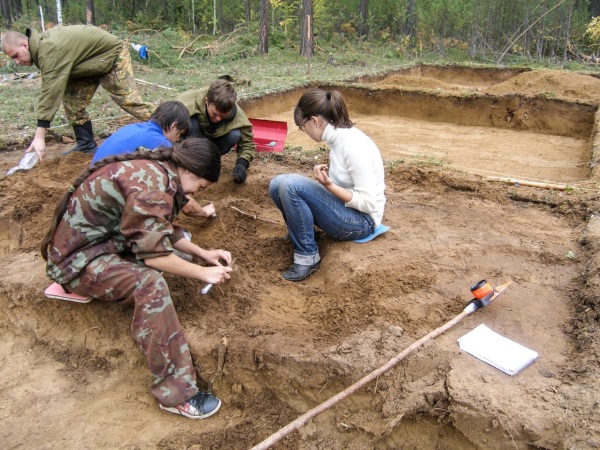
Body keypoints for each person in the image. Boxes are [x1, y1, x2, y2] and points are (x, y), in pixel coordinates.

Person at [40, 138, 233, 419]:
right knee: (150, 284)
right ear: (190, 171)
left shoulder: (159, 170)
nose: (196, 194)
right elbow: (154, 255)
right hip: (77, 262)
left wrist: (203, 253)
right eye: (200, 187)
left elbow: (158, 228)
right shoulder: (153, 185)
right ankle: (176, 394)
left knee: (175, 262)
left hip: (98, 245)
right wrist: (204, 273)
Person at [269, 89, 386, 281]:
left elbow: (368, 203)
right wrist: (328, 181)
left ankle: (307, 257)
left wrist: (330, 186)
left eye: (302, 126)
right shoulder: (337, 139)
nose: (304, 131)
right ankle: (304, 235)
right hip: (348, 211)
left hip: (363, 221)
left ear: (315, 121)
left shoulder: (351, 145)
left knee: (290, 185)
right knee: (277, 184)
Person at [1, 25, 155, 160]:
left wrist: (39, 137)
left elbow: (50, 92)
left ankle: (175, 127)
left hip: (112, 55)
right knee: (72, 100)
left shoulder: (49, 50)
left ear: (24, 45)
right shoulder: (42, 48)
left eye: (16, 55)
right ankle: (86, 144)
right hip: (88, 62)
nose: (17, 62)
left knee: (130, 101)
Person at [90, 100, 214, 218]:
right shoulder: (161, 144)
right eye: (179, 134)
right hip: (102, 202)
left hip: (91, 185)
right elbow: (180, 196)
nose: (177, 140)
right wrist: (203, 212)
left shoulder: (135, 127)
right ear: (173, 126)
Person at [176, 78, 255, 184]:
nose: (218, 119)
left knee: (234, 134)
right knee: (191, 124)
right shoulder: (185, 104)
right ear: (206, 101)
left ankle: (207, 163)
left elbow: (247, 143)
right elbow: (166, 130)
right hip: (188, 144)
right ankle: (188, 163)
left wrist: (242, 163)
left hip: (214, 143)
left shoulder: (238, 116)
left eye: (223, 116)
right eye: (214, 113)